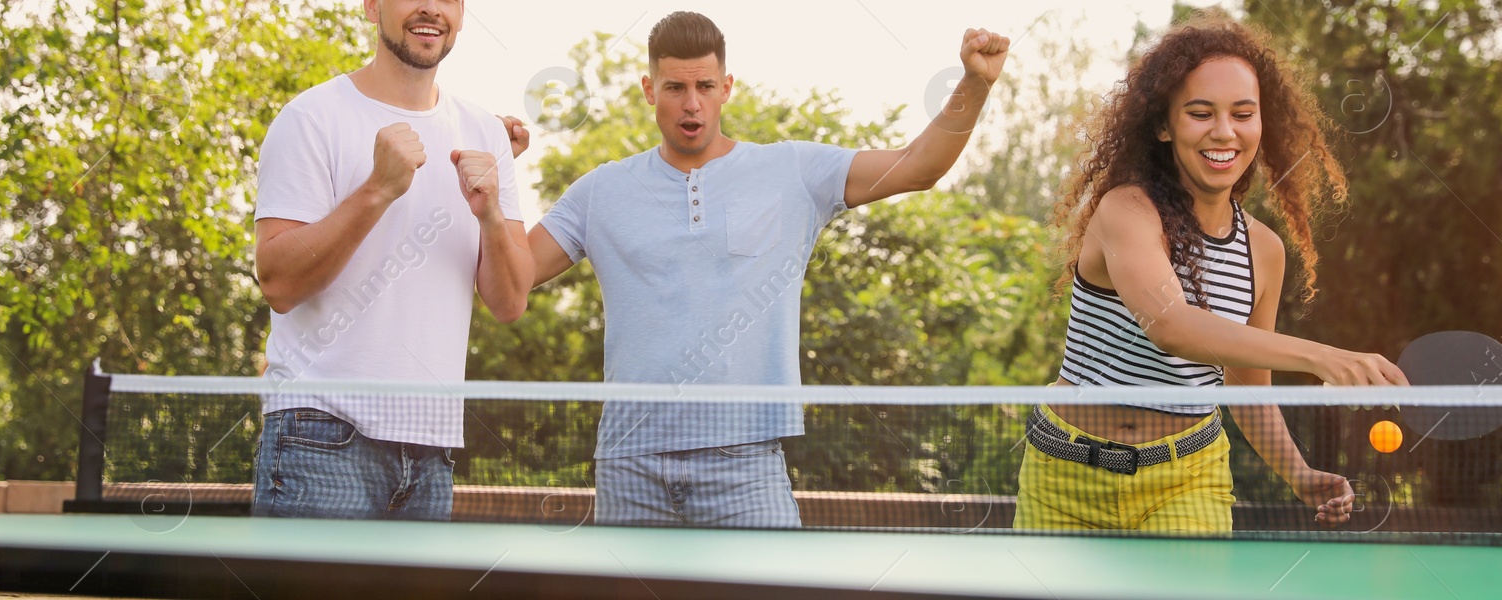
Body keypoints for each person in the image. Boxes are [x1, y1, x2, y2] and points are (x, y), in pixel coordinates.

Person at [528, 11, 1010, 528]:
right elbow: (512, 276)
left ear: (727, 88)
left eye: (705, 86)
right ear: (649, 89)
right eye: (674, 87)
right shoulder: (601, 190)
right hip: (628, 464)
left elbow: (920, 165)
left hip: (747, 463)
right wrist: (495, 193)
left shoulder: (793, 171)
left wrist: (975, 82)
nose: (692, 103)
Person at [1014, 14, 1408, 534]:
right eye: (1201, 113)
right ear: (1164, 125)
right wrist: (1320, 357)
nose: (1224, 132)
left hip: (1188, 478)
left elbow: (1246, 381)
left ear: (1262, 123)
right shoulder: (1126, 211)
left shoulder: (1264, 250)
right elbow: (1172, 325)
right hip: (1064, 475)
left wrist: (1298, 472)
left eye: (1243, 114)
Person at [250, 0, 533, 520]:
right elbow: (278, 283)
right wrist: (377, 190)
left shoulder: (486, 135)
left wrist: (491, 215)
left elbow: (511, 302)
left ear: (464, 13)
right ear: (372, 6)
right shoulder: (311, 118)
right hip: (320, 438)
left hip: (432, 450)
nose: (431, 8)